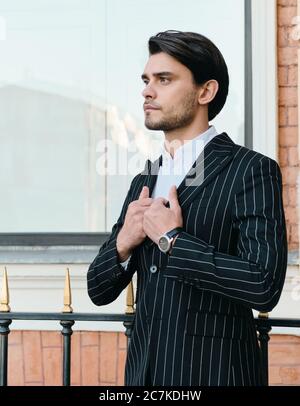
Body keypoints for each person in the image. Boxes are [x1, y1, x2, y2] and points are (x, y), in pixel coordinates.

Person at [87, 30, 287, 386]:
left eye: (164, 80)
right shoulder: (144, 179)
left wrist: (172, 240)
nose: (147, 91)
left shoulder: (250, 170)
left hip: (215, 375)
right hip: (144, 379)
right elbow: (97, 290)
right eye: (147, 80)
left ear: (205, 92)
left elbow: (264, 284)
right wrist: (123, 244)